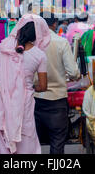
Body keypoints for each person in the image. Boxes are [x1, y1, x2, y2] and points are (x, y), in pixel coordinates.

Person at [0, 14, 50, 154]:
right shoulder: (39, 55)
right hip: (24, 105)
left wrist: (6, 83)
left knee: (3, 145)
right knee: (27, 144)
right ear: (38, 34)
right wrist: (29, 86)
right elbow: (43, 86)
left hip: (1, 104)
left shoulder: (1, 48)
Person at [35, 14, 80, 154]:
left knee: (33, 141)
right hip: (57, 100)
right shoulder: (61, 42)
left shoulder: (31, 43)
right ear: (54, 24)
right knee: (57, 142)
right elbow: (73, 72)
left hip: (35, 98)